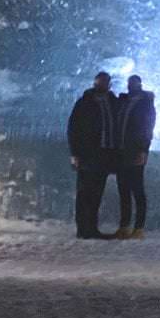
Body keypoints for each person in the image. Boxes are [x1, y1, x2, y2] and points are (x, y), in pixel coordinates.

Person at [66, 71, 118, 239]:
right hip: (88, 154)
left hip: (105, 154)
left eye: (105, 82)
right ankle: (83, 229)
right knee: (84, 192)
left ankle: (92, 228)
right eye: (100, 82)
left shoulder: (112, 102)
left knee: (96, 192)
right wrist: (75, 153)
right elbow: (73, 128)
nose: (102, 85)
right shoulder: (84, 103)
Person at [113, 74, 157, 239]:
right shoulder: (123, 102)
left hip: (135, 151)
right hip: (121, 152)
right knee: (123, 189)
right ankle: (124, 226)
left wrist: (143, 150)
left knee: (137, 190)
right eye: (130, 83)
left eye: (135, 83)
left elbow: (148, 127)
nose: (132, 86)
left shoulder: (145, 103)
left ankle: (139, 228)